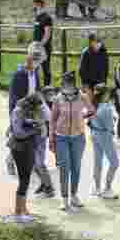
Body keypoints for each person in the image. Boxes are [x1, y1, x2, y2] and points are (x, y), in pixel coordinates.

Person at [50, 72, 90, 212]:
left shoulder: (82, 97)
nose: (63, 86)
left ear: (73, 84)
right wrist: (51, 137)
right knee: (64, 168)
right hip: (61, 137)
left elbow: (92, 110)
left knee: (76, 168)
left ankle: (74, 195)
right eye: (63, 84)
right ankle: (64, 198)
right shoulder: (58, 99)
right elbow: (52, 119)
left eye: (66, 84)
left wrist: (83, 116)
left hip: (78, 137)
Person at [6, 89, 46, 224]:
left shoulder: (27, 111)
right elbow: (18, 133)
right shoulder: (18, 111)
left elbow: (29, 123)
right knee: (24, 180)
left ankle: (23, 209)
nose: (38, 110)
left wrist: (34, 124)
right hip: (19, 148)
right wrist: (34, 129)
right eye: (36, 108)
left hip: (29, 147)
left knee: (26, 180)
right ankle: (18, 213)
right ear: (30, 104)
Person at [89, 84, 120, 199]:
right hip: (104, 135)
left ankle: (97, 188)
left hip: (94, 134)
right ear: (105, 94)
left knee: (98, 161)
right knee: (114, 163)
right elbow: (110, 127)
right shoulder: (106, 108)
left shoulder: (93, 105)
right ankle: (107, 188)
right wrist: (113, 120)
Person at [32, 87, 56, 199]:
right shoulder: (39, 102)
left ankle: (49, 188)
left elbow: (50, 118)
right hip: (35, 135)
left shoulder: (43, 105)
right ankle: (44, 183)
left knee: (39, 163)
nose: (51, 97)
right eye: (49, 94)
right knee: (35, 163)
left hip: (40, 136)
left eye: (52, 94)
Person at [9, 53, 41, 117]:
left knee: (46, 112)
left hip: (33, 102)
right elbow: (13, 94)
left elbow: (37, 90)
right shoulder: (18, 75)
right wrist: (19, 104)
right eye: (31, 61)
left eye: (36, 62)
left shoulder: (35, 74)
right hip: (21, 103)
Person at [32, 0, 54, 87]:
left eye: (38, 4)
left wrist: (41, 45)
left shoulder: (47, 18)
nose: (36, 6)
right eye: (35, 3)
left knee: (46, 68)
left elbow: (47, 34)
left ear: (43, 5)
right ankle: (35, 87)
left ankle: (47, 88)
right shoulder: (37, 17)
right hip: (36, 47)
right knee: (34, 68)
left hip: (44, 47)